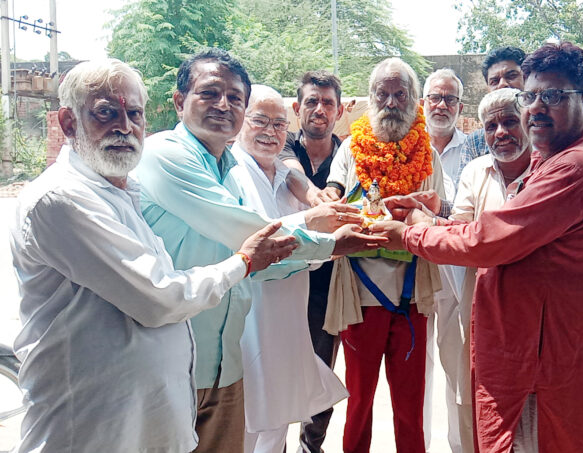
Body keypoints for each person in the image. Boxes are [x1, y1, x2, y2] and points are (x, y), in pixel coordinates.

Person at [9, 59, 297, 453]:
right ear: (69, 122)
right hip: (91, 426)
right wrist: (244, 262)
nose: (124, 127)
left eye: (134, 114)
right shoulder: (62, 199)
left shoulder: (121, 193)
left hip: (150, 416)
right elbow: (160, 297)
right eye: (106, 113)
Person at [372, 42, 583, 453]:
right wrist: (433, 219)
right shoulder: (557, 160)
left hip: (545, 367)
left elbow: (487, 241)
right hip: (536, 350)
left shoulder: (576, 167)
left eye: (552, 96)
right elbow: (482, 230)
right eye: (530, 97)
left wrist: (407, 233)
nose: (536, 109)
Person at [135, 48, 380, 452]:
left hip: (224, 360)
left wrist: (325, 235)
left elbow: (257, 257)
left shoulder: (230, 166)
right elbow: (247, 233)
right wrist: (330, 242)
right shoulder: (168, 155)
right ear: (180, 102)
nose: (223, 105)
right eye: (210, 93)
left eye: (234, 97)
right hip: (177, 359)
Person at [322, 57, 445, 453]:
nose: (391, 102)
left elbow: (437, 211)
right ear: (371, 98)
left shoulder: (427, 152)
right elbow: (334, 201)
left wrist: (417, 216)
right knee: (358, 402)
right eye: (383, 93)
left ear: (413, 100)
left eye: (400, 94)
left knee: (410, 406)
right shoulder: (351, 149)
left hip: (411, 299)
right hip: (360, 298)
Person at [230, 85, 353, 453]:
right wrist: (322, 232)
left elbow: (307, 253)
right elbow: (257, 248)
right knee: (248, 423)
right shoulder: (231, 174)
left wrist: (327, 245)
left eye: (279, 124)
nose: (270, 131)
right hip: (250, 319)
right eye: (260, 121)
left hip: (290, 316)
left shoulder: (285, 180)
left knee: (279, 420)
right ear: (241, 123)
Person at [451, 86, 533, 452]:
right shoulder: (475, 172)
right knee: (478, 397)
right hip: (481, 307)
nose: (500, 133)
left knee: (531, 409)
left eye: (510, 122)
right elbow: (458, 232)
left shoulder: (546, 170)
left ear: (527, 123)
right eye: (491, 126)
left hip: (532, 313)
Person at [277, 70, 347, 453]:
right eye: (311, 101)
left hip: (328, 284)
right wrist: (316, 196)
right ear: (296, 108)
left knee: (320, 372)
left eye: (327, 103)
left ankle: (311, 447)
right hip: (282, 277)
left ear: (339, 111)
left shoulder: (347, 154)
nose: (319, 110)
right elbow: (292, 174)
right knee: (274, 365)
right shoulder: (283, 144)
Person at [420, 68, 470, 453]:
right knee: (417, 377)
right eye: (435, 97)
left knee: (459, 376)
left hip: (457, 281)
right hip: (415, 278)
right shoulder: (407, 148)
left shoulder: (475, 150)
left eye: (449, 99)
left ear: (460, 107)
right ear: (422, 103)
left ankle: (461, 447)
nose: (441, 105)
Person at [458, 46, 526, 179]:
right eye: (495, 81)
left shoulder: (545, 132)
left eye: (511, 76)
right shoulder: (475, 142)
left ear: (527, 79)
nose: (503, 85)